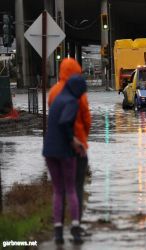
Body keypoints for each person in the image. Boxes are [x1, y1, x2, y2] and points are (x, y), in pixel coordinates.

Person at [48, 58, 91, 230]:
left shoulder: (53, 92)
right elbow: (87, 119)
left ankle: (59, 225)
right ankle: (76, 224)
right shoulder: (78, 93)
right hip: (76, 145)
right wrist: (82, 140)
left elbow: (53, 117)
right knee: (76, 187)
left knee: (59, 189)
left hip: (56, 146)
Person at [43, 75, 87, 244]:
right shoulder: (71, 101)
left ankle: (58, 232)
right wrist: (74, 141)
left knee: (58, 190)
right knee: (70, 189)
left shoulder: (57, 99)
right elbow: (65, 123)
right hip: (64, 151)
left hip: (49, 151)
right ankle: (75, 230)